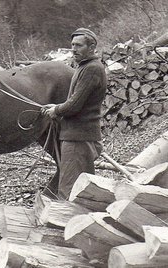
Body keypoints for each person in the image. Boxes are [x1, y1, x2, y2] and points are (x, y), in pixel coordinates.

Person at [41, 28, 107, 200]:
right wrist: (57, 106)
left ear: (91, 47)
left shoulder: (91, 69)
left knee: (69, 189)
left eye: (79, 45)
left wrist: (56, 110)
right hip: (77, 135)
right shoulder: (85, 67)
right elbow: (76, 102)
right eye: (72, 45)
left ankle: (69, 223)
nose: (73, 49)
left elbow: (74, 106)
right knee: (80, 188)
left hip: (78, 138)